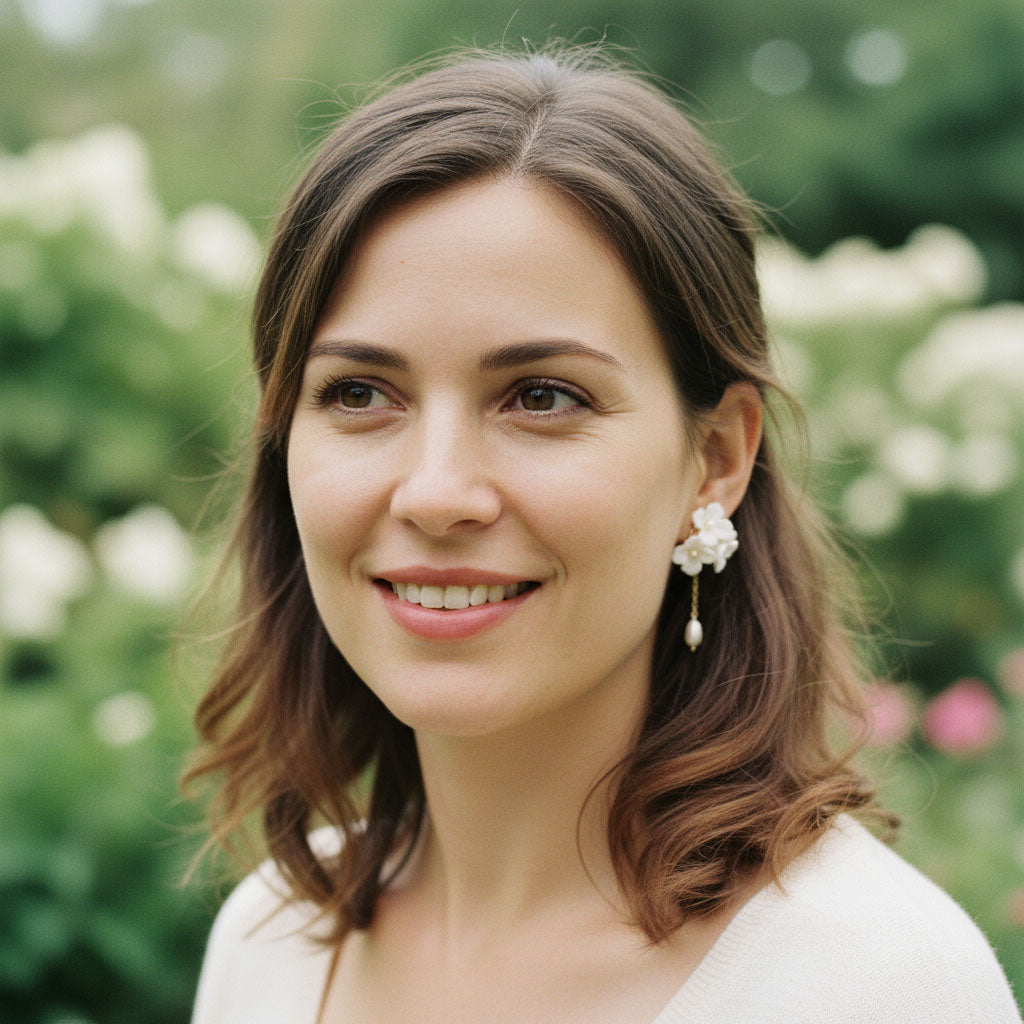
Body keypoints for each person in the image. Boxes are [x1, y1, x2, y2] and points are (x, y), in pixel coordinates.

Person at [185, 45, 1022, 1023]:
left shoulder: (869, 983)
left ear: (714, 458)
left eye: (541, 396)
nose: (437, 491)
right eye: (359, 393)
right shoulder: (271, 944)